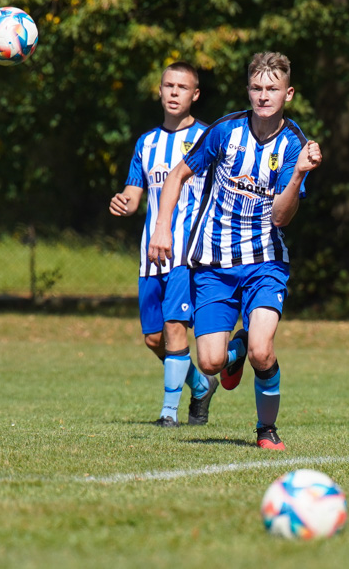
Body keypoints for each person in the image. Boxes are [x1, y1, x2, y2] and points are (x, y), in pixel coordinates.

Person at [147, 52, 322, 450]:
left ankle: (265, 430)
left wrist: (297, 175)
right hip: (214, 264)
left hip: (265, 263)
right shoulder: (226, 131)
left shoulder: (295, 144)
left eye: (272, 89)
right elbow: (177, 175)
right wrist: (162, 227)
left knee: (263, 351)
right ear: (248, 90)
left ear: (288, 94)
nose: (264, 96)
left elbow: (282, 216)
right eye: (257, 88)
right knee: (210, 362)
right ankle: (235, 347)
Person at [109, 61, 218, 428]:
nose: (174, 93)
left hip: (188, 252)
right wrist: (122, 202)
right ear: (159, 91)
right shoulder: (146, 142)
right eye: (168, 86)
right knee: (153, 338)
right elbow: (134, 192)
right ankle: (201, 384)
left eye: (182, 87)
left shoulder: (208, 138)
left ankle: (168, 414)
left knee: (175, 327)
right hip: (150, 253)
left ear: (195, 95)